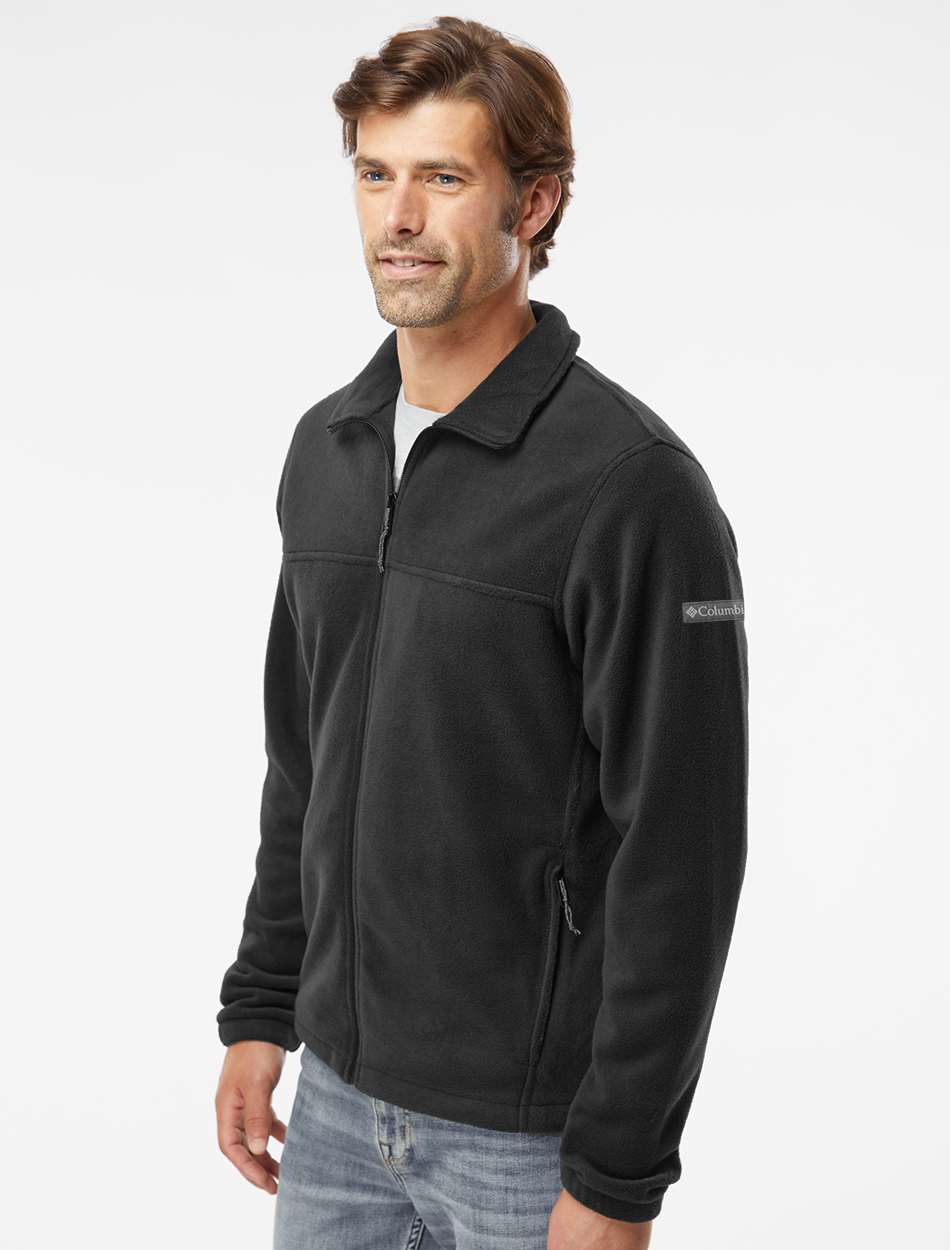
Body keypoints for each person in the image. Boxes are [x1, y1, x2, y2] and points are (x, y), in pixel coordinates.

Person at [214, 15, 749, 1250]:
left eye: (443, 178)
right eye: (375, 173)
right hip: (334, 1106)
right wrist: (263, 1004)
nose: (398, 217)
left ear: (534, 202)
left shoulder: (630, 486)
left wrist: (618, 1175)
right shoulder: (327, 448)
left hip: (525, 1138)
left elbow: (680, 851)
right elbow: (303, 759)